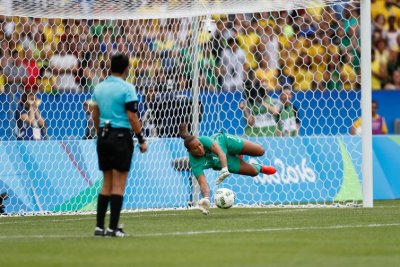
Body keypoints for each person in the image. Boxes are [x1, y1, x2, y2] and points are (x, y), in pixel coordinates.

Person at [91, 53, 147, 237]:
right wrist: (141, 139)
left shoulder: (99, 88)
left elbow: (95, 113)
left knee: (106, 183)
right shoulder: (127, 88)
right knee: (119, 185)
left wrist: (100, 133)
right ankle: (113, 228)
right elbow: (132, 116)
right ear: (126, 69)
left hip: (103, 137)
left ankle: (99, 227)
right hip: (121, 136)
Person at [179, 123, 276, 215]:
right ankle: (260, 168)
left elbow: (220, 152)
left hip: (225, 142)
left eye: (199, 145)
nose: (200, 149)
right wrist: (206, 198)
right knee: (254, 172)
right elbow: (203, 183)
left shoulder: (204, 140)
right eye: (196, 148)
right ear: (189, 151)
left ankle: (238, 152)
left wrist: (224, 169)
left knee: (260, 151)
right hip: (220, 162)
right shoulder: (195, 163)